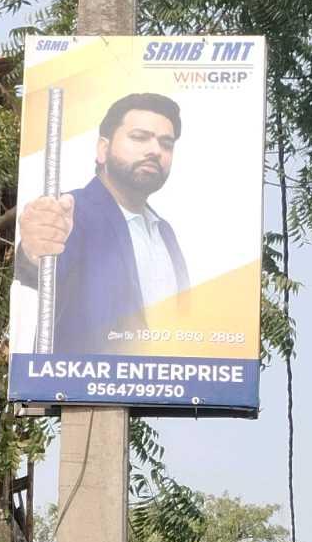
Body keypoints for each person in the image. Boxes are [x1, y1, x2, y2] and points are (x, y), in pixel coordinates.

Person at [14, 93, 191, 354]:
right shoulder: (71, 212)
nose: (156, 150)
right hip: (86, 378)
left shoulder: (164, 231)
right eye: (139, 137)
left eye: (166, 143)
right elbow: (39, 274)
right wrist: (34, 251)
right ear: (102, 149)